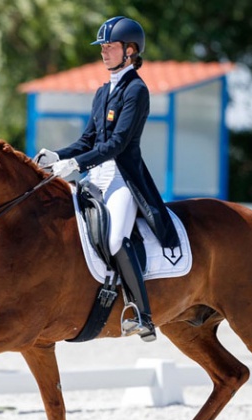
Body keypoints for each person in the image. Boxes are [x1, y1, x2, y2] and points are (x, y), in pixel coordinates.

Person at [34, 16, 179, 342]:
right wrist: (58, 156)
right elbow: (89, 140)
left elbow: (117, 145)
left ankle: (142, 314)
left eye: (110, 46)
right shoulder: (103, 92)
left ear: (130, 51)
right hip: (96, 175)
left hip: (122, 179)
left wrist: (76, 163)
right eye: (102, 46)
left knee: (114, 240)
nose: (104, 51)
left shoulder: (137, 90)